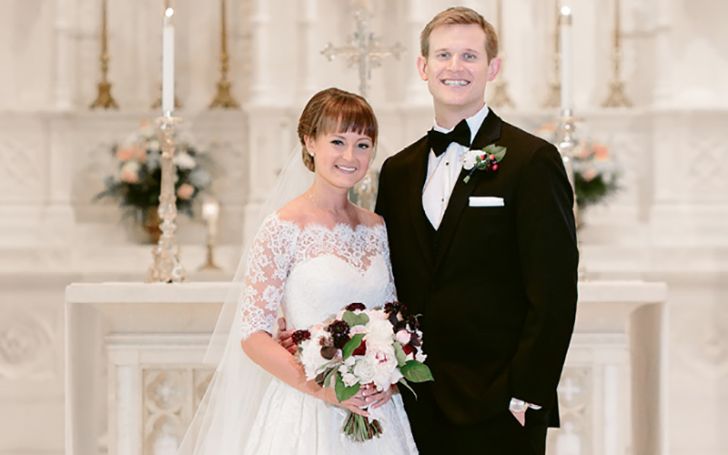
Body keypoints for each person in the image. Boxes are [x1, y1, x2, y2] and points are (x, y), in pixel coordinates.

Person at [374, 7, 579, 455]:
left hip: (501, 404)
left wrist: (528, 393)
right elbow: (389, 281)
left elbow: (555, 292)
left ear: (493, 68)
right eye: (443, 55)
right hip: (414, 401)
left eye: (470, 56)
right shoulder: (396, 171)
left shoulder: (531, 160)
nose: (456, 66)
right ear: (423, 67)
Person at [177, 87, 418, 455]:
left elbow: (392, 318)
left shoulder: (377, 228)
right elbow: (253, 335)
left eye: (363, 145)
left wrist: (390, 378)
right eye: (337, 142)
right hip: (307, 410)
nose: (350, 156)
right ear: (309, 141)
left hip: (378, 413)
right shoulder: (284, 226)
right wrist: (325, 389)